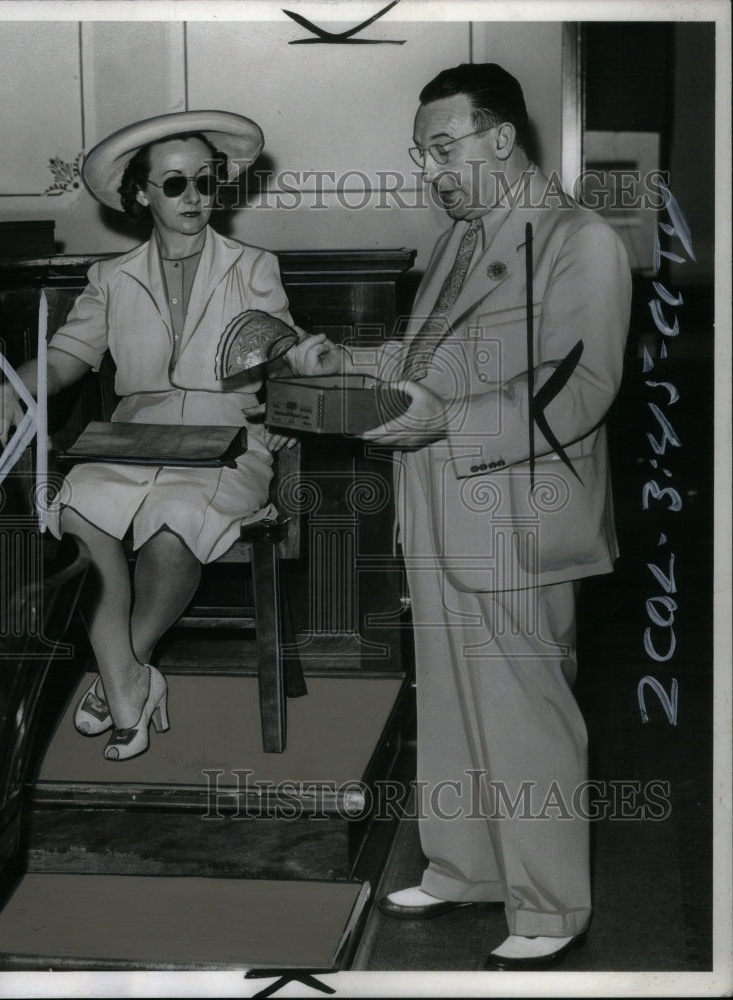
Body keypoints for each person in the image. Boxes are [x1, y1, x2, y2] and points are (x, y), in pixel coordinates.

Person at [286, 63, 631, 970]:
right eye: (422, 152)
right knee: (447, 698)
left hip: (516, 508)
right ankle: (466, 866)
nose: (430, 167)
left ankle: (551, 906)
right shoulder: (458, 240)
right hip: (435, 496)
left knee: (524, 709)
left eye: (443, 147)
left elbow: (580, 388)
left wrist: (453, 421)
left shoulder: (576, 237)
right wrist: (348, 360)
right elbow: (427, 356)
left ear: (500, 137)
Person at [0, 111, 296, 763]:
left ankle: (121, 671)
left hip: (230, 440)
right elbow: (68, 357)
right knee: (80, 507)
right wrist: (18, 383)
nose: (195, 199)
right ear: (140, 195)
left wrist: (287, 377)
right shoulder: (111, 277)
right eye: (176, 184)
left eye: (207, 183)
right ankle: (130, 680)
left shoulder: (254, 266)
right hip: (129, 444)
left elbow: (279, 353)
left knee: (173, 515)